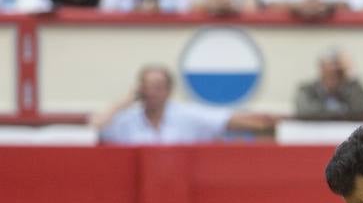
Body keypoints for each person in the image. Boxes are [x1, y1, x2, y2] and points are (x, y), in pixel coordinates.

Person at [94, 64, 275, 144]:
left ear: (168, 91)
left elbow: (226, 120)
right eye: (147, 87)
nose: (152, 93)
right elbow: (96, 125)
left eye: (157, 87)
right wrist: (125, 102)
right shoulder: (127, 119)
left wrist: (264, 123)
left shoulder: (185, 115)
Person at [295, 49, 363, 120]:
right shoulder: (307, 89)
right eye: (329, 68)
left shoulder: (352, 88)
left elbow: (359, 109)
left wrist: (350, 78)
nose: (333, 71)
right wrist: (340, 111)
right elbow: (305, 110)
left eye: (337, 71)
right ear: (321, 69)